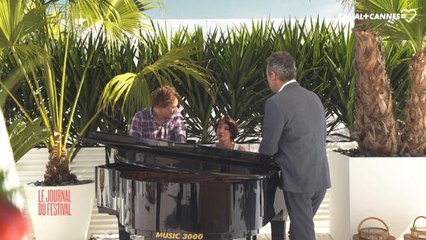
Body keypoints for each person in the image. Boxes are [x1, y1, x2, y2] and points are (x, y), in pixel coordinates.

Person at [259, 51, 331, 240]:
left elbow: (268, 148)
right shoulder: (313, 97)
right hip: (320, 178)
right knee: (300, 230)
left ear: (272, 75)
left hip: (298, 181)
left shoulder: (276, 102)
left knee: (304, 234)